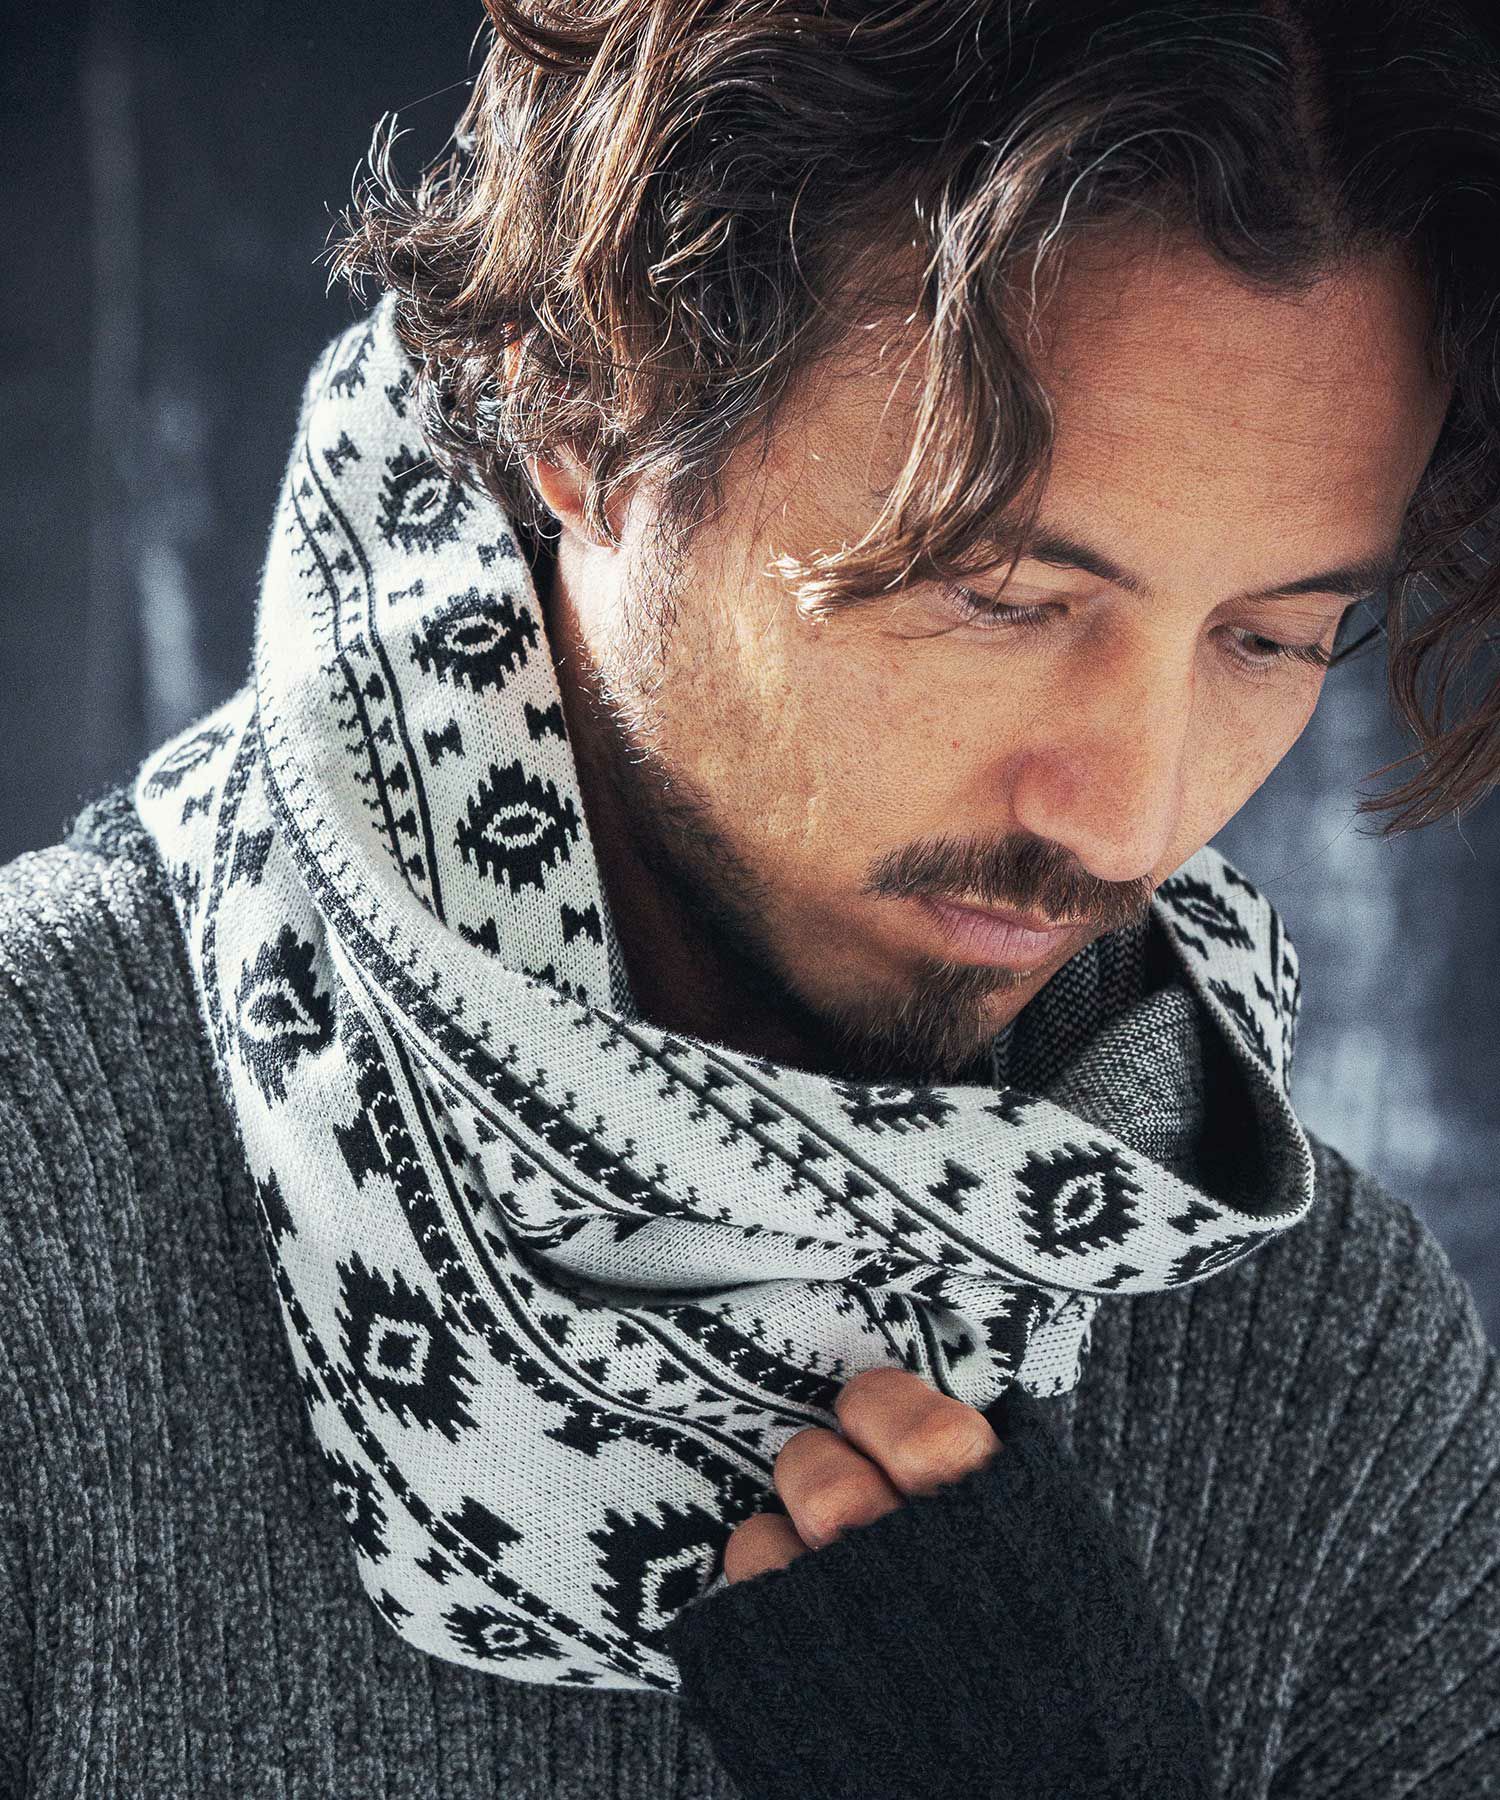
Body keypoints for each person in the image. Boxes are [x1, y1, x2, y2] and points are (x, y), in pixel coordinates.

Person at [2, 1, 1498, 1794]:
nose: (1129, 821)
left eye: (1271, 639)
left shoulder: (1320, 1359)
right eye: (998, 594)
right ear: (586, 405)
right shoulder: (37, 1193)